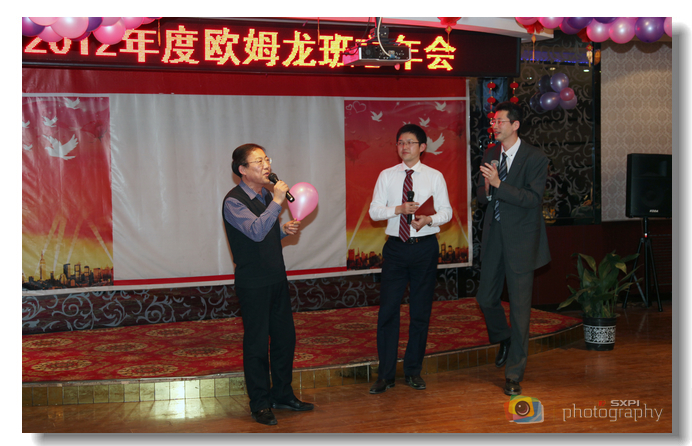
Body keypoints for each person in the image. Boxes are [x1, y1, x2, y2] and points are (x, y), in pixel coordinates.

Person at [222, 143, 314, 425]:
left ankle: (282, 394)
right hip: (253, 283)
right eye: (259, 161)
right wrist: (277, 202)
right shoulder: (234, 201)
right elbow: (255, 232)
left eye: (267, 160)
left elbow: (266, 233)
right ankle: (260, 403)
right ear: (242, 169)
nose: (266, 166)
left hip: (276, 278)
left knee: (285, 339)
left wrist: (282, 231)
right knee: (257, 344)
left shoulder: (264, 195)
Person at [368, 124, 453, 394]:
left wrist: (429, 219)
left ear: (422, 147)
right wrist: (398, 209)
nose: (404, 147)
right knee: (388, 311)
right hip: (395, 249)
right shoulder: (386, 175)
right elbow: (374, 212)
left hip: (424, 248)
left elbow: (447, 212)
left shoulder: (435, 176)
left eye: (410, 142)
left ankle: (413, 371)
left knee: (420, 311)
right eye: (400, 142)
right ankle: (385, 374)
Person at [476, 101, 551, 396]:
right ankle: (504, 338)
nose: (495, 126)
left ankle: (514, 374)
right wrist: (487, 188)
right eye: (494, 122)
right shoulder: (491, 154)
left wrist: (499, 184)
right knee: (485, 298)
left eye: (500, 121)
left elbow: (533, 198)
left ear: (515, 125)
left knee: (520, 310)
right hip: (494, 235)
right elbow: (482, 197)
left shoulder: (535, 157)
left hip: (521, 240)